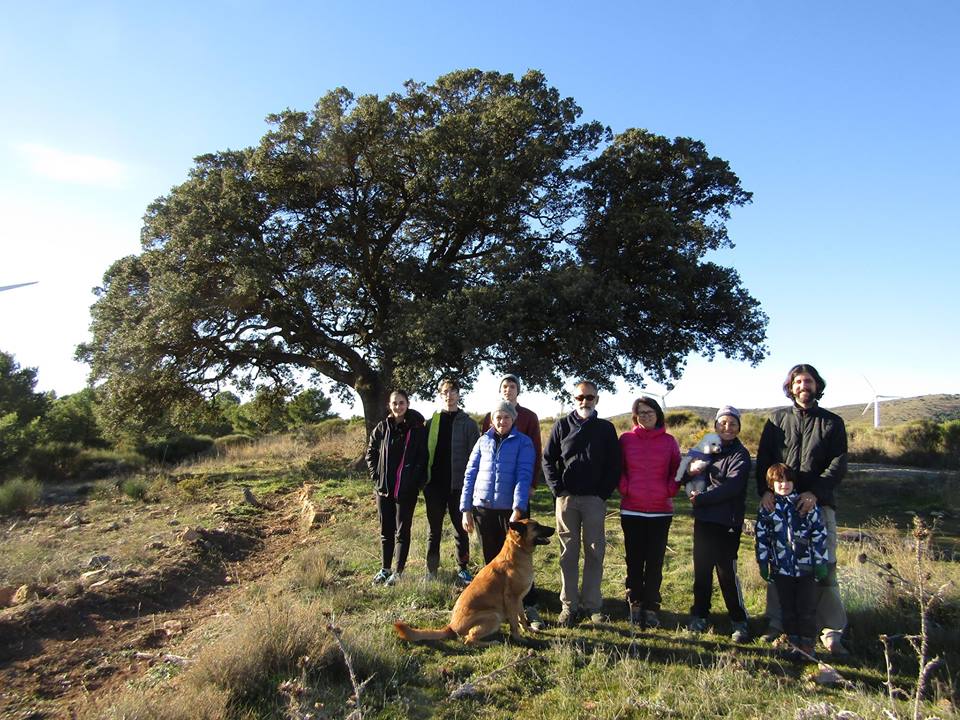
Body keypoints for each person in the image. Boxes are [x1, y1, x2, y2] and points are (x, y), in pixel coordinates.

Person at [756, 363, 849, 655]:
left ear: (817, 385)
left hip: (817, 506)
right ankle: (778, 623)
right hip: (779, 507)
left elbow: (838, 464)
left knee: (824, 567)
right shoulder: (776, 420)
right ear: (790, 387)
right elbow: (763, 460)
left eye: (808, 381)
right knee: (778, 564)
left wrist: (815, 493)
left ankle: (830, 629)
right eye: (797, 381)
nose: (803, 386)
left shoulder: (832, 422)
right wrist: (765, 493)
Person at [543, 381, 621, 626]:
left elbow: (614, 464)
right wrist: (558, 489)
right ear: (573, 399)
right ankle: (569, 605)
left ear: (597, 399)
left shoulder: (606, 429)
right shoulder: (561, 426)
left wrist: (602, 493)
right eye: (580, 397)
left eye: (589, 397)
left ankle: (592, 604)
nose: (584, 401)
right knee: (568, 553)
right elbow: (548, 460)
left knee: (595, 552)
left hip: (594, 501)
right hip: (566, 500)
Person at [481, 373, 544, 626]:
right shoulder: (490, 416)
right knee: (495, 548)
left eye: (513, 386)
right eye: (505, 386)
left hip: (517, 494)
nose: (508, 390)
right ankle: (498, 598)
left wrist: (532, 484)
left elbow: (536, 451)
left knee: (520, 549)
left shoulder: (528, 417)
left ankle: (529, 603)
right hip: (491, 499)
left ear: (519, 390)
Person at [684, 405, 751, 641]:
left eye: (732, 423)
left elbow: (732, 487)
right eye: (723, 423)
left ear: (738, 427)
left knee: (726, 573)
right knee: (701, 571)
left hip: (727, 522)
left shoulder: (740, 455)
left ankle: (739, 620)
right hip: (704, 520)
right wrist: (690, 471)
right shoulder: (706, 448)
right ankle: (700, 615)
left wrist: (701, 498)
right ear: (715, 425)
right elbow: (684, 473)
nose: (727, 427)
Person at [617, 396, 681, 628]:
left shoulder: (669, 441)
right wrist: (625, 488)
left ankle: (652, 605)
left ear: (657, 414)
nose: (645, 416)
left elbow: (677, 470)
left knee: (655, 561)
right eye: (641, 412)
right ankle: (634, 602)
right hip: (632, 509)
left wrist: (669, 490)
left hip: (660, 511)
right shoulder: (625, 440)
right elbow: (619, 468)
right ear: (635, 416)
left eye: (649, 412)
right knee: (634, 559)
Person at [755, 463, 829, 659]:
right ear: (771, 485)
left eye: (788, 481)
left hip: (806, 568)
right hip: (781, 568)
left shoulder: (804, 504)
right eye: (779, 481)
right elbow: (761, 536)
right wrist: (763, 562)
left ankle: (807, 644)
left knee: (806, 607)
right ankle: (793, 643)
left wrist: (821, 562)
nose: (784, 485)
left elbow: (819, 534)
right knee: (787, 608)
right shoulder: (768, 508)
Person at [460, 400, 535, 568]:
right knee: (491, 559)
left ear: (513, 419)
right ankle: (493, 592)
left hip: (508, 510)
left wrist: (517, 510)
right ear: (492, 420)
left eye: (506, 417)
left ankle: (520, 592)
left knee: (513, 558)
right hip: (483, 510)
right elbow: (470, 474)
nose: (502, 421)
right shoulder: (482, 442)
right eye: (498, 417)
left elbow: (523, 477)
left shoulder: (524, 442)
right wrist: (466, 510)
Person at [365, 390, 428, 586]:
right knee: (386, 530)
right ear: (389, 405)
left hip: (405, 490)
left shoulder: (417, 428)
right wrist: (376, 476)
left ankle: (399, 572)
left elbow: (422, 457)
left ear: (407, 404)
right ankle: (385, 569)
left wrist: (415, 481)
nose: (398, 406)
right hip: (384, 489)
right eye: (394, 403)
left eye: (401, 403)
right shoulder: (382, 428)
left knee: (402, 531)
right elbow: (371, 453)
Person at [424, 378, 480, 585]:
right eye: (445, 392)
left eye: (452, 391)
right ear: (440, 395)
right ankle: (431, 570)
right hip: (435, 486)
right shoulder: (431, 423)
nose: (449, 395)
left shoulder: (469, 423)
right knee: (434, 530)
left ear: (458, 394)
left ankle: (463, 568)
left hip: (460, 486)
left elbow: (477, 456)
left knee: (461, 529)